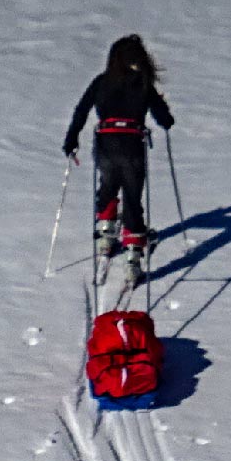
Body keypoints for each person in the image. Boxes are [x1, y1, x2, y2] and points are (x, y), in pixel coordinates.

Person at [63, 35, 174, 282]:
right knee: (132, 196)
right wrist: (166, 118)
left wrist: (71, 140)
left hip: (106, 144)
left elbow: (81, 110)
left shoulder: (102, 81)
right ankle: (133, 256)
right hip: (133, 146)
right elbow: (163, 117)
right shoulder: (143, 83)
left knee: (108, 184)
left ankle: (106, 232)